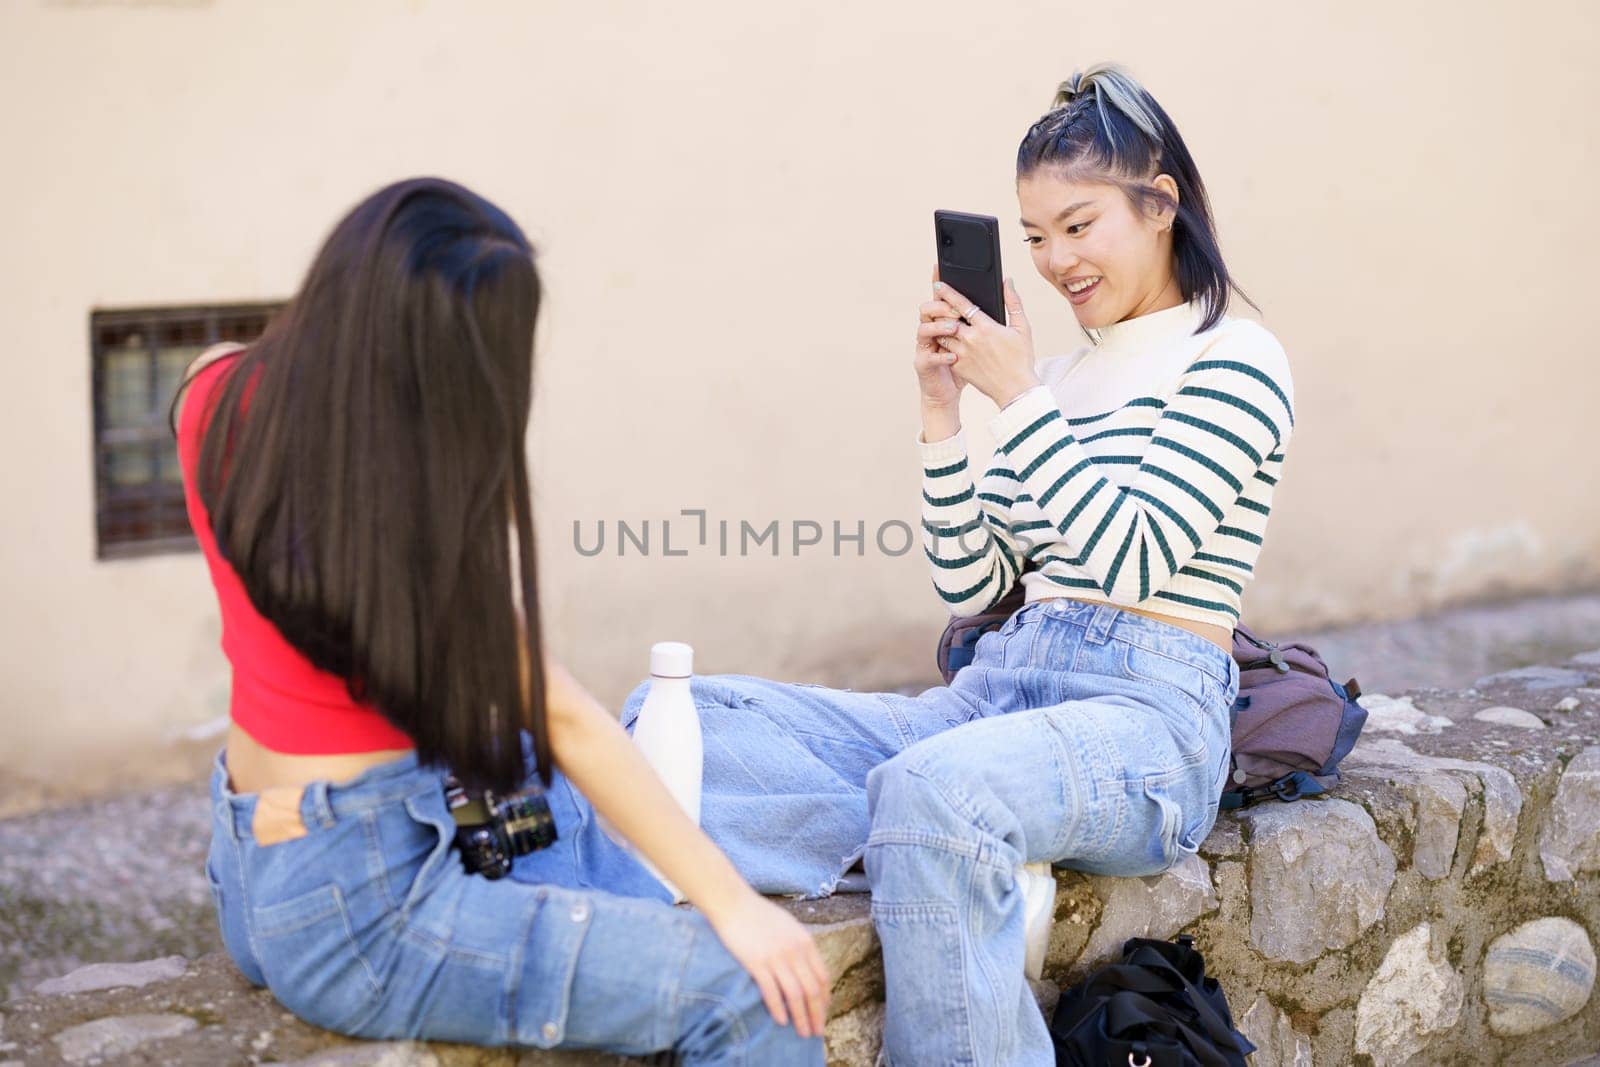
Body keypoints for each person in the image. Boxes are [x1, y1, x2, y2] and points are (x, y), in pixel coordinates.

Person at [609, 63, 1297, 1064]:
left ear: (1160, 204)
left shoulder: (1233, 358)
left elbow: (1137, 555)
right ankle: (941, 854)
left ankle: (938, 834)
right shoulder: (1057, 375)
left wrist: (1018, 403)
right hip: (1000, 691)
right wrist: (943, 411)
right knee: (684, 726)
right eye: (1033, 237)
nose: (1057, 259)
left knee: (938, 790)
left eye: (1079, 223)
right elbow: (976, 588)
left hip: (1146, 719)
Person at [176, 177, 828, 1064]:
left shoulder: (209, 392)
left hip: (253, 868)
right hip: (363, 907)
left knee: (529, 779)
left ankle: (624, 926)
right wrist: (734, 906)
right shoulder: (405, 520)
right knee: (759, 996)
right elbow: (564, 718)